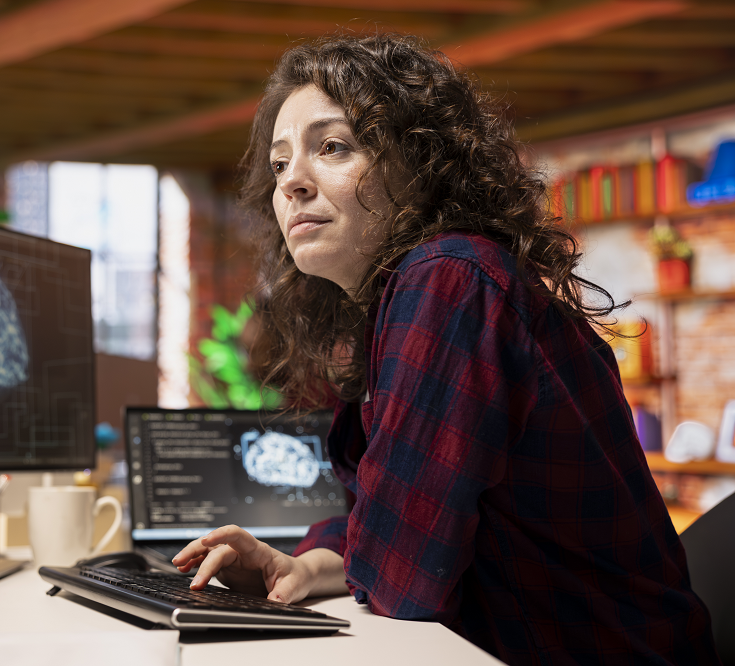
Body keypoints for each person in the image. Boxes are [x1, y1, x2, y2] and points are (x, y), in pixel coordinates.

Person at [172, 33, 720, 665]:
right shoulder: (405, 296)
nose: (292, 181)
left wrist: (359, 555)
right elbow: (382, 516)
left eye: (333, 146)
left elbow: (402, 580)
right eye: (278, 164)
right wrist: (302, 565)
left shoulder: (448, 279)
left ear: (419, 162)